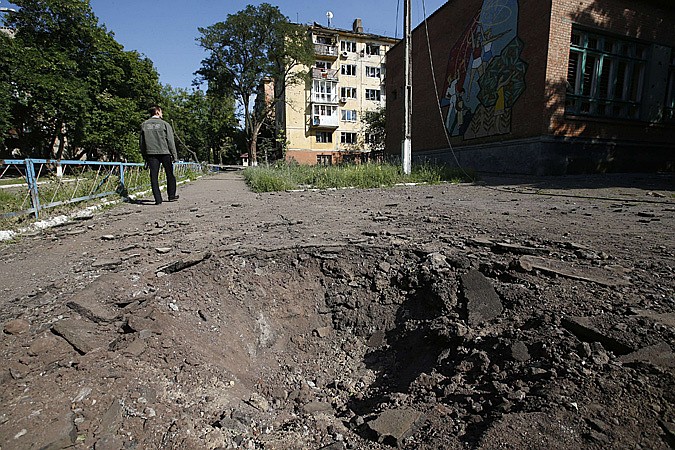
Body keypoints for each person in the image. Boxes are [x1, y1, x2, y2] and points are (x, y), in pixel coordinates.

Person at [139, 106, 179, 205]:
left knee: (154, 176)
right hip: (165, 152)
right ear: (157, 112)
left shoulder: (144, 125)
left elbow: (141, 142)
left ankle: (158, 199)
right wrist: (174, 155)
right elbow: (170, 141)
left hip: (151, 153)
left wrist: (144, 155)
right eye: (161, 112)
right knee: (170, 174)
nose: (162, 114)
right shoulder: (165, 124)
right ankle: (171, 196)